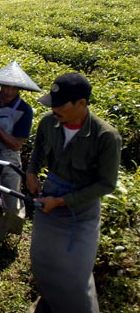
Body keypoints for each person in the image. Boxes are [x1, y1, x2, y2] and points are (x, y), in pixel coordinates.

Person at [25, 72, 121, 313]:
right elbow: (37, 150)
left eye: (60, 105)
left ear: (81, 104)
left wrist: (62, 201)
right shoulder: (50, 122)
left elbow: (106, 184)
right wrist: (31, 173)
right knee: (43, 261)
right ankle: (50, 302)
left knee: (75, 274)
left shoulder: (105, 137)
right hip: (50, 199)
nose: (54, 109)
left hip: (81, 208)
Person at [0, 61, 40, 241]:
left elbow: (16, 144)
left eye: (13, 88)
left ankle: (9, 235)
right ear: (0, 85)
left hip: (8, 157)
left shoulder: (24, 110)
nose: (8, 91)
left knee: (11, 195)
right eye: (6, 86)